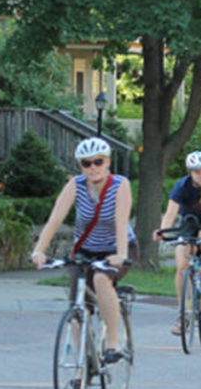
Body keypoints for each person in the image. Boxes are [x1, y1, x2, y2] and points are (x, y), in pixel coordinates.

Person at [31, 137, 135, 364]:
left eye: (98, 162)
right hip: (85, 251)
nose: (93, 168)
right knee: (77, 308)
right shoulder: (75, 185)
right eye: (86, 163)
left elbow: (121, 221)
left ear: (107, 162)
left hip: (116, 248)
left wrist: (120, 255)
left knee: (100, 279)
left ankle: (113, 342)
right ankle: (84, 363)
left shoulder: (120, 185)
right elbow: (54, 220)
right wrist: (39, 250)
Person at [154, 150, 201, 336]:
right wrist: (163, 231)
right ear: (190, 173)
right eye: (196, 172)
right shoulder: (182, 186)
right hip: (189, 223)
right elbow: (171, 213)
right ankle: (183, 313)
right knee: (181, 266)